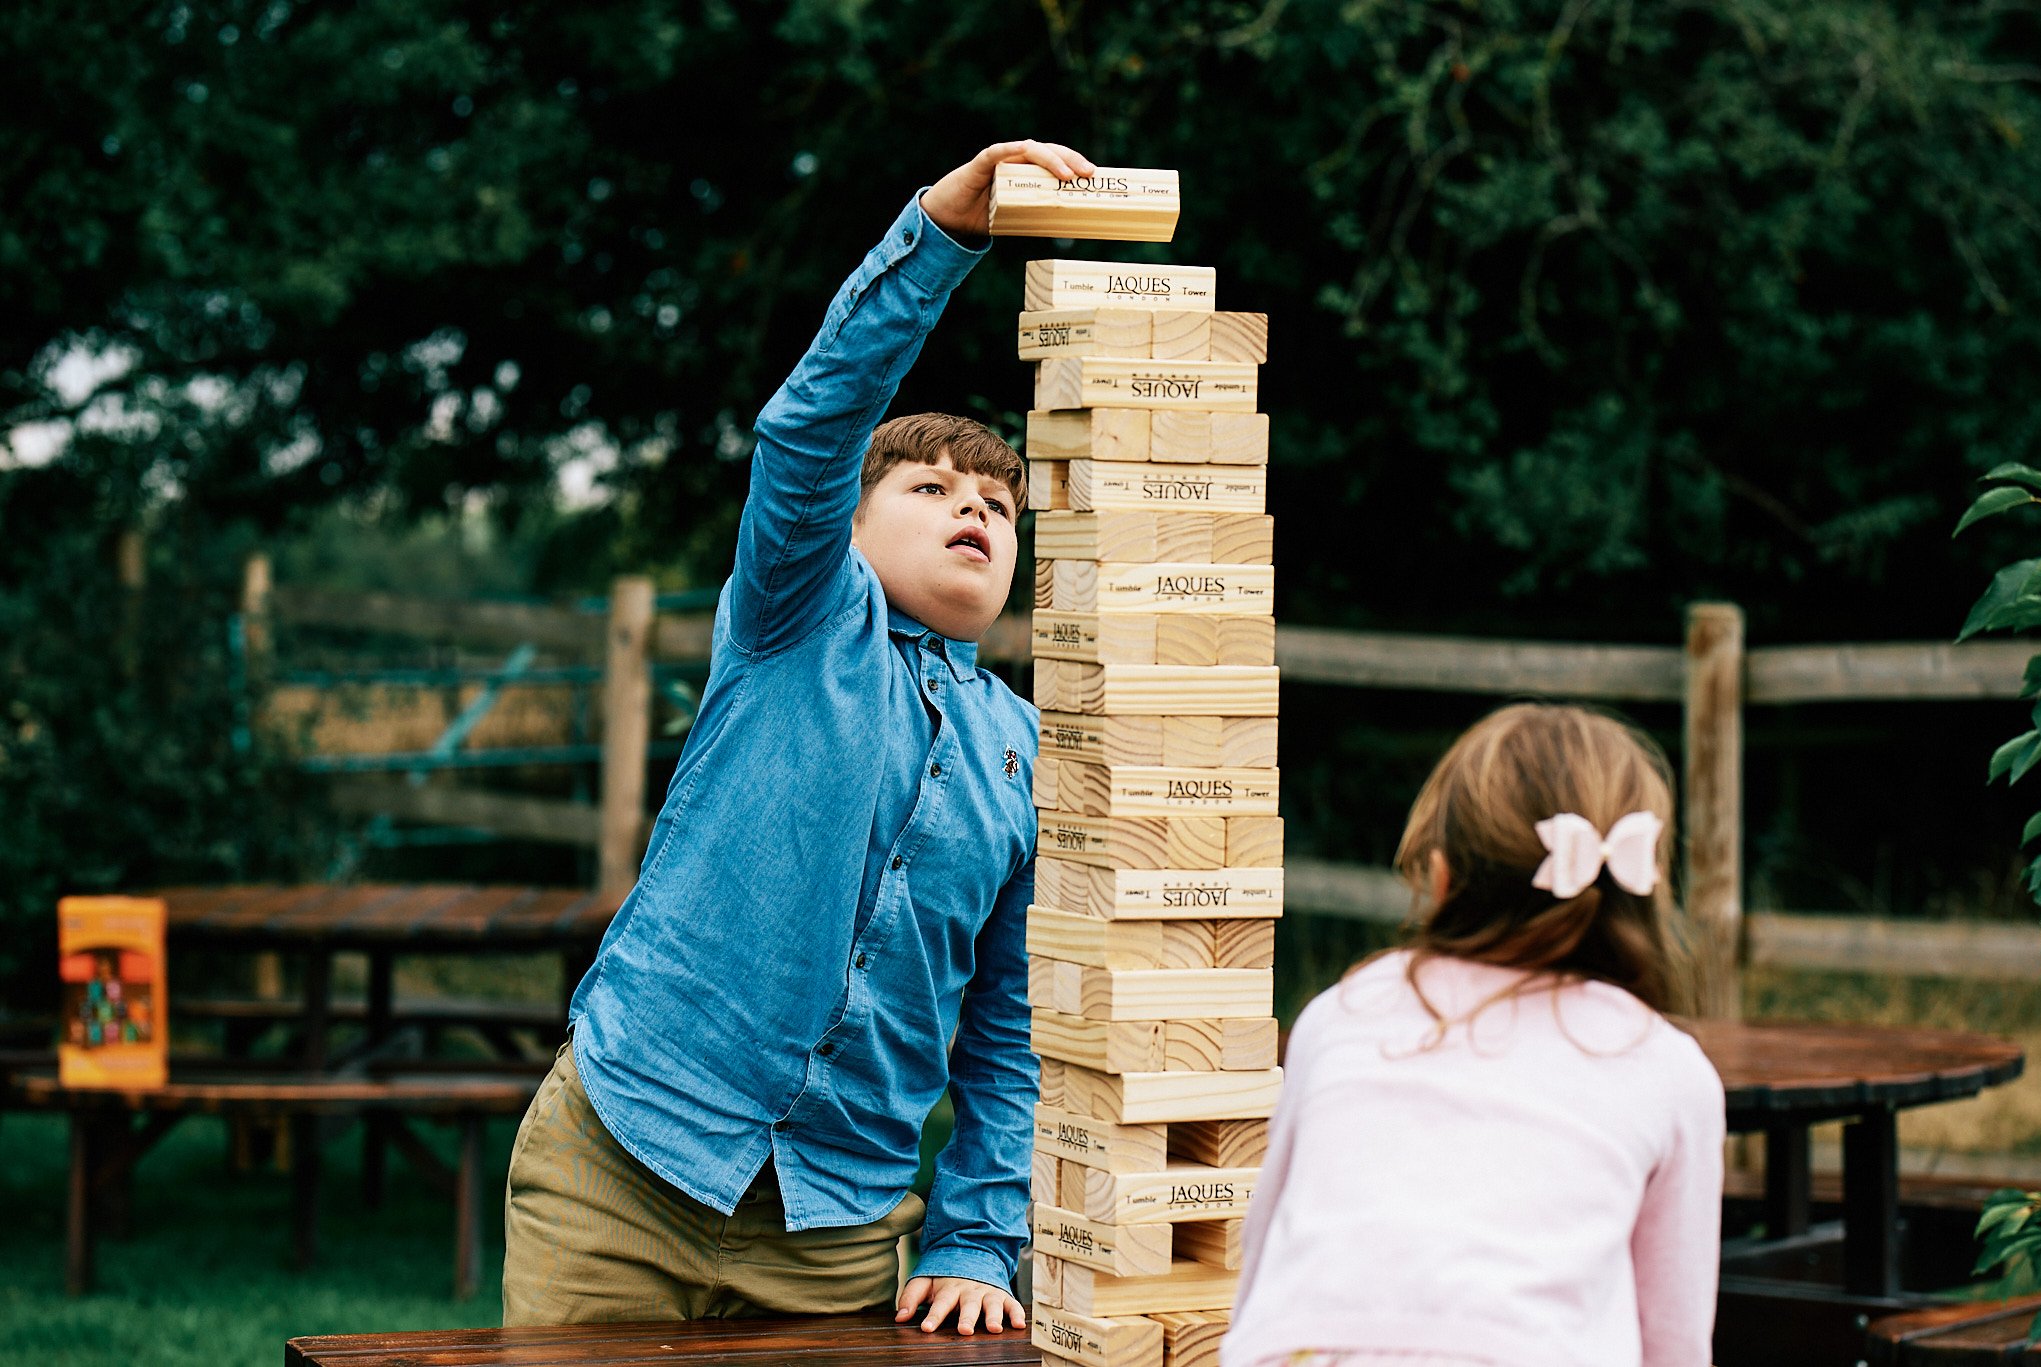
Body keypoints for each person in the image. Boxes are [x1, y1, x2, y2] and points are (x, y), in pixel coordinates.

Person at [501, 139, 1100, 1334]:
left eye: (993, 503)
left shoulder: (1032, 752)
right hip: (624, 1164)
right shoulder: (795, 616)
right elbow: (810, 425)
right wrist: (940, 233)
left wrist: (979, 1230)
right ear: (850, 528)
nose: (969, 509)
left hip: (839, 1233)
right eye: (928, 491)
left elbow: (1011, 1019)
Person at [1223, 703, 1724, 1367]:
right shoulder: (1666, 1067)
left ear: (1441, 875)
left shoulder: (1342, 1014)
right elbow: (1674, 1341)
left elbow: (1263, 1260)